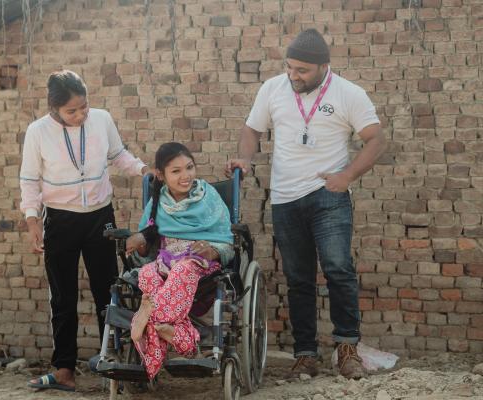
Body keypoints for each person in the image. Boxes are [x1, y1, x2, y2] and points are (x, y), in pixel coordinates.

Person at [226, 29, 387, 380]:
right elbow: (252, 130)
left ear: (323, 66)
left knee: (338, 269)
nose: (293, 76)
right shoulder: (272, 89)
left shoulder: (348, 93)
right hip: (285, 199)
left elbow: (375, 139)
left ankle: (347, 350)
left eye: (302, 70)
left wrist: (346, 176)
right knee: (298, 279)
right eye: (290, 68)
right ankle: (305, 356)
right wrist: (244, 158)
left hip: (328, 197)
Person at [20, 70, 149, 391]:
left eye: (84, 107)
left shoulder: (102, 120)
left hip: (99, 219)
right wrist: (32, 220)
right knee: (62, 297)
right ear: (54, 109)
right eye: (72, 111)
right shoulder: (37, 132)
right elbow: (29, 180)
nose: (80, 115)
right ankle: (64, 369)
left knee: (108, 291)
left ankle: (115, 362)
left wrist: (144, 169)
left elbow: (118, 155)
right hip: (60, 222)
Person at [125, 142, 234, 380]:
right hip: (165, 261)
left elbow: (227, 239)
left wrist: (213, 250)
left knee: (183, 269)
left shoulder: (208, 196)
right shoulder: (158, 202)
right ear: (161, 175)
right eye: (176, 171)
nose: (185, 176)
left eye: (189, 168)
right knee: (146, 273)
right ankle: (178, 337)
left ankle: (147, 318)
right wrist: (138, 243)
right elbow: (147, 244)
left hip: (200, 263)